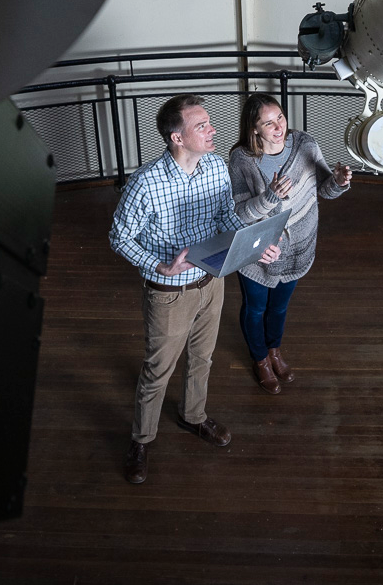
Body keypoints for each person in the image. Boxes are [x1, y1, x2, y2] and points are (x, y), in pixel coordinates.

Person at [109, 94, 281, 485]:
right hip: (169, 292)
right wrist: (159, 265)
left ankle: (194, 417)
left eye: (209, 123)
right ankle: (141, 440)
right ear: (177, 138)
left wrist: (256, 247)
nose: (213, 130)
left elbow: (225, 217)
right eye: (201, 126)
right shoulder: (145, 183)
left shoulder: (217, 168)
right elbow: (119, 237)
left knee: (202, 359)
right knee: (158, 369)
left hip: (212, 282)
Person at [227, 94, 352, 394]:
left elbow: (324, 190)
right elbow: (238, 213)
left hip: (299, 246)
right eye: (267, 122)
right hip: (260, 252)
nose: (278, 126)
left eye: (280, 117)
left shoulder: (305, 144)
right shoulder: (242, 159)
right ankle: (260, 360)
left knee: (279, 308)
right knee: (256, 308)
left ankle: (274, 352)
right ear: (254, 129)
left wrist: (338, 181)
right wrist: (269, 197)